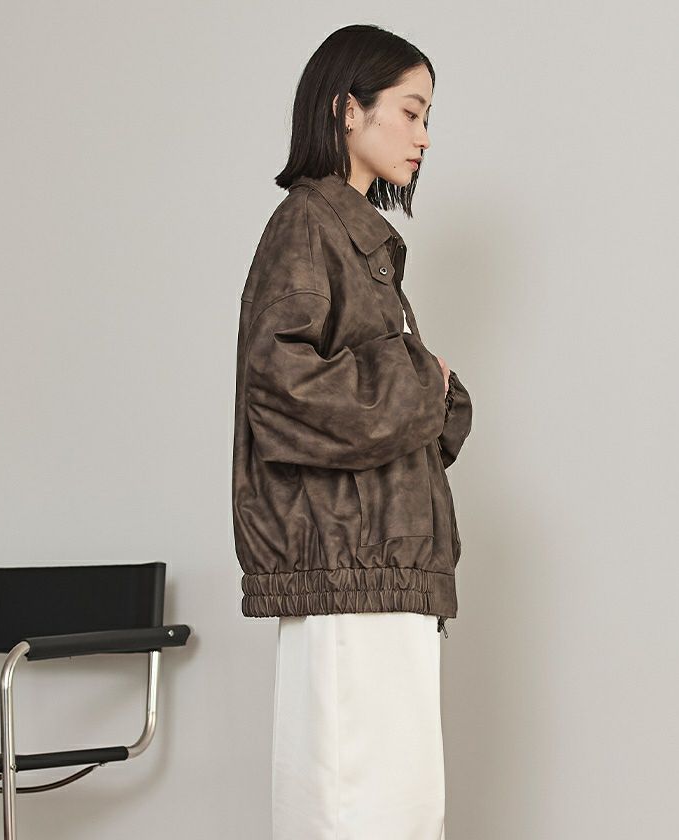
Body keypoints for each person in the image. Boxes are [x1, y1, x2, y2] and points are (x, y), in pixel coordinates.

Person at [231, 23, 473, 840]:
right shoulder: (309, 224)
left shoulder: (358, 241)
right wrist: (422, 381)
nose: (424, 136)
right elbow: (281, 388)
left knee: (396, 813)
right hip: (349, 575)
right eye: (410, 111)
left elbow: (378, 404)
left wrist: (438, 394)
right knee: (351, 812)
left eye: (427, 116)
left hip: (381, 576)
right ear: (347, 108)